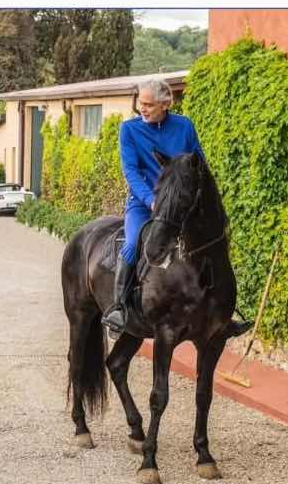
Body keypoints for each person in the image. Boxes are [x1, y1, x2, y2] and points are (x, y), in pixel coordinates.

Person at [100, 79, 251, 339]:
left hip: (180, 206)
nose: (142, 109)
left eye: (148, 104)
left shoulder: (184, 126)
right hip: (145, 203)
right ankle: (119, 308)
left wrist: (205, 202)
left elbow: (199, 166)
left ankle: (221, 313)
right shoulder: (129, 130)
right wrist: (151, 200)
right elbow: (131, 172)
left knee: (211, 240)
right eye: (140, 103)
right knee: (133, 242)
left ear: (165, 104)